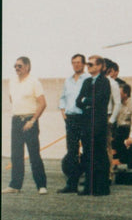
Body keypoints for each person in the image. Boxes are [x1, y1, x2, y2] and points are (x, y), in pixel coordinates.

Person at [3, 57, 48, 195]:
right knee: (16, 154)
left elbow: (42, 103)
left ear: (27, 66)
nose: (17, 68)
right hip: (16, 120)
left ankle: (41, 185)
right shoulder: (12, 82)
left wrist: (32, 120)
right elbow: (13, 99)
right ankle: (15, 185)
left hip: (30, 120)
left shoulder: (34, 82)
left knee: (34, 154)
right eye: (15, 66)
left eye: (20, 66)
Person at [75, 55, 112, 196]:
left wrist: (87, 100)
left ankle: (101, 188)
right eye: (87, 65)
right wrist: (87, 101)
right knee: (87, 155)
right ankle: (89, 187)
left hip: (99, 123)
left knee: (100, 155)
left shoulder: (104, 82)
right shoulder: (87, 82)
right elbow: (78, 101)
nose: (88, 67)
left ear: (99, 66)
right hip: (87, 122)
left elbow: (99, 100)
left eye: (90, 64)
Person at [57, 54, 89, 193]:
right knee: (71, 152)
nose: (76, 65)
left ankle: (88, 183)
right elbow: (62, 98)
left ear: (84, 64)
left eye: (78, 62)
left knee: (87, 151)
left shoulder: (88, 79)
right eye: (73, 62)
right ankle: (71, 184)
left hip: (84, 118)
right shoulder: (68, 81)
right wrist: (63, 112)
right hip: (70, 118)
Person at [113, 83, 132, 169]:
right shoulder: (116, 104)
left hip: (130, 129)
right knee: (116, 141)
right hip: (119, 130)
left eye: (119, 93)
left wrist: (131, 137)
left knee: (131, 145)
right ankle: (123, 158)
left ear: (126, 94)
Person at [103, 59, 121, 165]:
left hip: (106, 116)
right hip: (95, 117)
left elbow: (117, 103)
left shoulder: (113, 84)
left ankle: (108, 174)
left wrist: (111, 120)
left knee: (107, 146)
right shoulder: (93, 81)